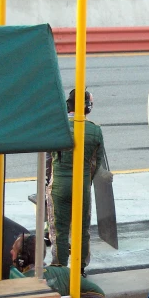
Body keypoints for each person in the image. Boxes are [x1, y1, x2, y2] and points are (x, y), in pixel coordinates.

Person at [47, 88, 105, 274]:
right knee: (82, 230)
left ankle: (59, 268)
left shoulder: (57, 127)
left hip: (58, 185)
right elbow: (97, 164)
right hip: (81, 185)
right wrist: (86, 180)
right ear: (86, 107)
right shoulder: (95, 130)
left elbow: (48, 160)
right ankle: (79, 269)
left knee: (59, 231)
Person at [9, 233, 104, 298]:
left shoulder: (17, 283)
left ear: (22, 258)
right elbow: (97, 295)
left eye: (14, 250)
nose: (11, 252)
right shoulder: (65, 272)